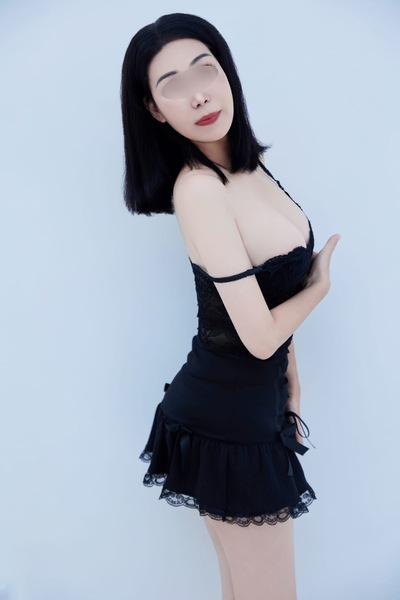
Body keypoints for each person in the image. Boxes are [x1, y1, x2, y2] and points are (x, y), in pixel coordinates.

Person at [120, 13, 340, 600]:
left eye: (205, 70)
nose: (198, 94)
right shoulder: (198, 188)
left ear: (227, 73)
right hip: (224, 420)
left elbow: (271, 298)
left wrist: (292, 386)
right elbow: (260, 335)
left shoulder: (248, 164)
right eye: (172, 85)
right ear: (154, 109)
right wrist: (319, 289)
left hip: (255, 408)